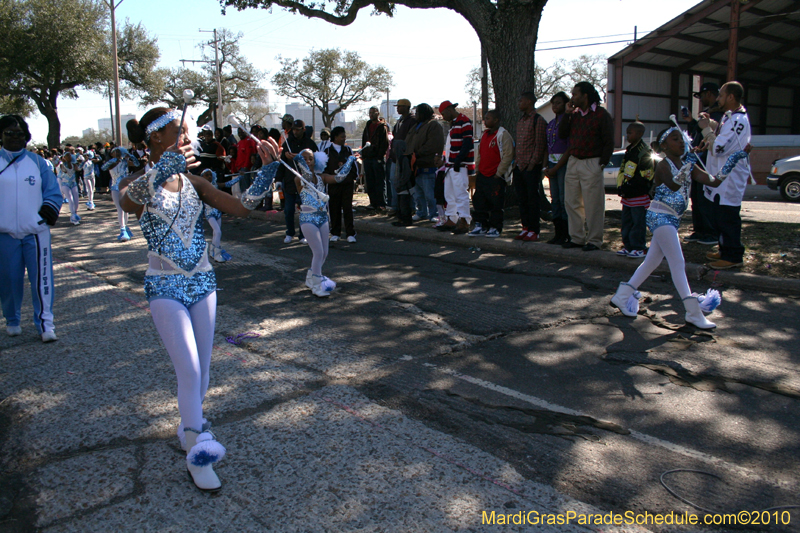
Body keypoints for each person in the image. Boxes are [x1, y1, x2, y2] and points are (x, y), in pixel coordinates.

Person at [119, 106, 281, 491]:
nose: (188, 136)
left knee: (203, 373)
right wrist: (160, 170)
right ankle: (198, 449)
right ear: (156, 136)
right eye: (181, 130)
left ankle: (188, 426)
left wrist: (267, 172)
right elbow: (128, 203)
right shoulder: (135, 181)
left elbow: (241, 207)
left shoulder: (194, 182)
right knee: (190, 371)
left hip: (204, 283)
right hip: (165, 286)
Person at [610, 126, 730, 330]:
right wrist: (689, 164)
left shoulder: (688, 164)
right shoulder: (663, 165)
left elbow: (713, 181)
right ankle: (693, 313)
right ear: (664, 146)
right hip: (660, 216)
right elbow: (674, 185)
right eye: (675, 139)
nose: (681, 142)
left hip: (672, 219)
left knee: (651, 262)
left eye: (682, 138)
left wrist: (733, 161)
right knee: (677, 262)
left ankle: (622, 296)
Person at [0, 114, 63, 343]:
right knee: (8, 280)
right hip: (4, 233)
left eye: (20, 133)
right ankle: (12, 320)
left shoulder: (38, 163)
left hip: (36, 233)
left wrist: (45, 214)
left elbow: (53, 192)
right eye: (9, 133)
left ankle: (45, 324)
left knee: (42, 280)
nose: (15, 137)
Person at [700, 81, 752, 270]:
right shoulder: (730, 117)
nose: (718, 99)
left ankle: (733, 255)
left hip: (730, 179)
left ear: (731, 97)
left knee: (727, 217)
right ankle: (724, 249)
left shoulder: (738, 120)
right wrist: (712, 125)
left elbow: (719, 148)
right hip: (720, 177)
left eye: (721, 95)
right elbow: (723, 136)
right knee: (719, 216)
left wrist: (705, 129)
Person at [558, 81, 614, 251]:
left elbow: (609, 140)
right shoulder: (574, 115)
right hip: (574, 161)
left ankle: (594, 240)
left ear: (585, 96)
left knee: (593, 204)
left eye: (575, 94)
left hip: (592, 161)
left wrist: (602, 163)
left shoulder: (601, 114)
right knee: (571, 202)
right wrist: (567, 114)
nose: (572, 97)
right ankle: (577, 238)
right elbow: (562, 134)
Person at [685, 82, 723, 245]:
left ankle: (711, 232)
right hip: (698, 160)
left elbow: (715, 137)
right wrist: (691, 121)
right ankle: (699, 229)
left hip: (708, 162)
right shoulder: (708, 114)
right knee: (697, 197)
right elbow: (698, 133)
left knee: (706, 198)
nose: (701, 99)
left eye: (701, 96)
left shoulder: (720, 115)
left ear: (708, 94)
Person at [469, 109, 514, 237]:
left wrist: (498, 173)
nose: (485, 121)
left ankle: (495, 227)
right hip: (482, 174)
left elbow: (508, 155)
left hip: (495, 176)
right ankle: (481, 225)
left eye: (488, 118)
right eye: (485, 118)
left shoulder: (503, 135)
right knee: (479, 201)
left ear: (496, 120)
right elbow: (480, 153)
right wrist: (477, 170)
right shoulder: (484, 134)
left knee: (496, 203)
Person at [616, 121, 654, 258]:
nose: (627, 136)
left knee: (638, 222)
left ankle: (639, 247)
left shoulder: (644, 151)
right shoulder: (629, 150)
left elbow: (647, 174)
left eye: (630, 133)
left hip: (638, 194)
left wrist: (634, 185)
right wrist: (622, 187)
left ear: (639, 134)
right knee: (627, 222)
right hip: (627, 194)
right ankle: (628, 246)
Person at [436, 100, 474, 234]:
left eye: (443, 114)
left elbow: (468, 143)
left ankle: (465, 220)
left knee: (460, 193)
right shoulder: (454, 124)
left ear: (449, 110)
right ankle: (452, 218)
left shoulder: (464, 121)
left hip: (459, 164)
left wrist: (459, 160)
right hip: (450, 164)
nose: (443, 117)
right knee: (449, 194)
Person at [513, 91, 547, 242]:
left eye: (521, 101)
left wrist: (532, 164)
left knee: (533, 200)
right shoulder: (520, 121)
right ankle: (525, 227)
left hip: (531, 168)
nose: (519, 103)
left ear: (529, 102)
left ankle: (534, 230)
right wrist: (516, 163)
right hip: (519, 167)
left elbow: (540, 145)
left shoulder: (538, 120)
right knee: (522, 200)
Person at [404, 104, 444, 225]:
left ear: (424, 113)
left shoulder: (433, 125)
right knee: (418, 192)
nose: (415, 115)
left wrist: (418, 153)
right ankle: (421, 212)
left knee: (430, 193)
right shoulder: (416, 126)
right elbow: (408, 142)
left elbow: (433, 144)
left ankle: (434, 213)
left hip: (428, 164)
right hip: (416, 165)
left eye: (417, 113)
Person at [278, 119, 318, 243]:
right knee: (288, 210)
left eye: (298, 130)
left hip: (305, 182)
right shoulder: (287, 143)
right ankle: (290, 233)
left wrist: (299, 157)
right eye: (294, 130)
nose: (295, 132)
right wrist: (278, 179)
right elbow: (282, 162)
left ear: (303, 130)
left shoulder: (310, 143)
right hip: (290, 181)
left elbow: (316, 160)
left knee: (304, 210)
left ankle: (303, 235)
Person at [543, 92, 571, 245]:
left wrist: (556, 167)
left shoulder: (568, 123)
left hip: (563, 164)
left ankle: (567, 234)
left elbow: (569, 148)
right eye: (553, 103)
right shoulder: (550, 124)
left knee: (563, 198)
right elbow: (547, 147)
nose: (555, 106)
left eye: (558, 103)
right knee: (554, 199)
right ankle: (558, 233)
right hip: (551, 164)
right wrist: (546, 166)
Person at [325, 127, 358, 242]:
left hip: (347, 185)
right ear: (335, 137)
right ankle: (335, 232)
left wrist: (351, 178)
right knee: (334, 208)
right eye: (342, 137)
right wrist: (331, 178)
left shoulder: (348, 150)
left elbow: (353, 166)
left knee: (347, 208)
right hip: (333, 185)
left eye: (345, 136)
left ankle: (350, 233)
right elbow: (325, 168)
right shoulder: (327, 151)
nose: (344, 139)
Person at [390, 99, 417, 217]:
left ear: (407, 107)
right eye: (397, 106)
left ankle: (411, 207)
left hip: (406, 157)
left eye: (400, 106)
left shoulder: (412, 120)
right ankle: (396, 207)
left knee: (407, 182)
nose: (398, 108)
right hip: (396, 156)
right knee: (394, 181)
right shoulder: (399, 121)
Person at [102, 147, 135, 242]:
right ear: (112, 154)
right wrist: (114, 162)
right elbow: (103, 168)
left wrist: (131, 156)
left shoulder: (125, 161)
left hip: (125, 188)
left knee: (126, 209)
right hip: (115, 188)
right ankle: (122, 229)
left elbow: (136, 164)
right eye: (115, 152)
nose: (118, 153)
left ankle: (125, 227)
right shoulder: (111, 162)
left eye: (119, 152)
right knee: (120, 209)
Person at [360, 106, 389, 211]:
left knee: (379, 182)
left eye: (373, 112)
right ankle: (373, 203)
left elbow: (384, 143)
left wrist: (379, 156)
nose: (371, 114)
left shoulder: (382, 127)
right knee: (370, 182)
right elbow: (364, 140)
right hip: (368, 158)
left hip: (377, 158)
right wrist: (364, 155)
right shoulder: (368, 126)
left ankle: (381, 204)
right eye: (370, 112)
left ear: (378, 113)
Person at [200, 169, 232, 263]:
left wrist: (240, 177)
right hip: (209, 213)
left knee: (216, 232)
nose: (209, 177)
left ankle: (212, 251)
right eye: (207, 175)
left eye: (210, 175)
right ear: (202, 177)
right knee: (218, 232)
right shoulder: (201, 187)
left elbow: (228, 184)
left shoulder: (216, 185)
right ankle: (217, 254)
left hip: (218, 212)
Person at [58, 153, 81, 225]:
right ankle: (74, 217)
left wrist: (77, 163)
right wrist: (64, 162)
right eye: (67, 156)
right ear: (64, 157)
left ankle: (74, 215)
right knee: (70, 200)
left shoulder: (73, 164)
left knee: (76, 201)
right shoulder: (62, 165)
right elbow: (64, 170)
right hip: (65, 184)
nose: (69, 157)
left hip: (73, 184)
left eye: (69, 156)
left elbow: (78, 169)